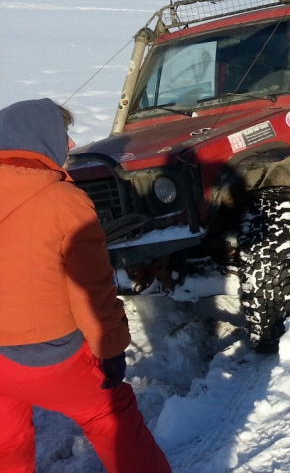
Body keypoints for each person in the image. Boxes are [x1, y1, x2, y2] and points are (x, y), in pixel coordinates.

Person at [0, 99, 171, 473]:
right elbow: (91, 289)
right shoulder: (64, 202)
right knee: (108, 414)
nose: (72, 144)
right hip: (47, 355)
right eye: (63, 134)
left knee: (6, 442)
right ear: (37, 138)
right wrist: (110, 348)